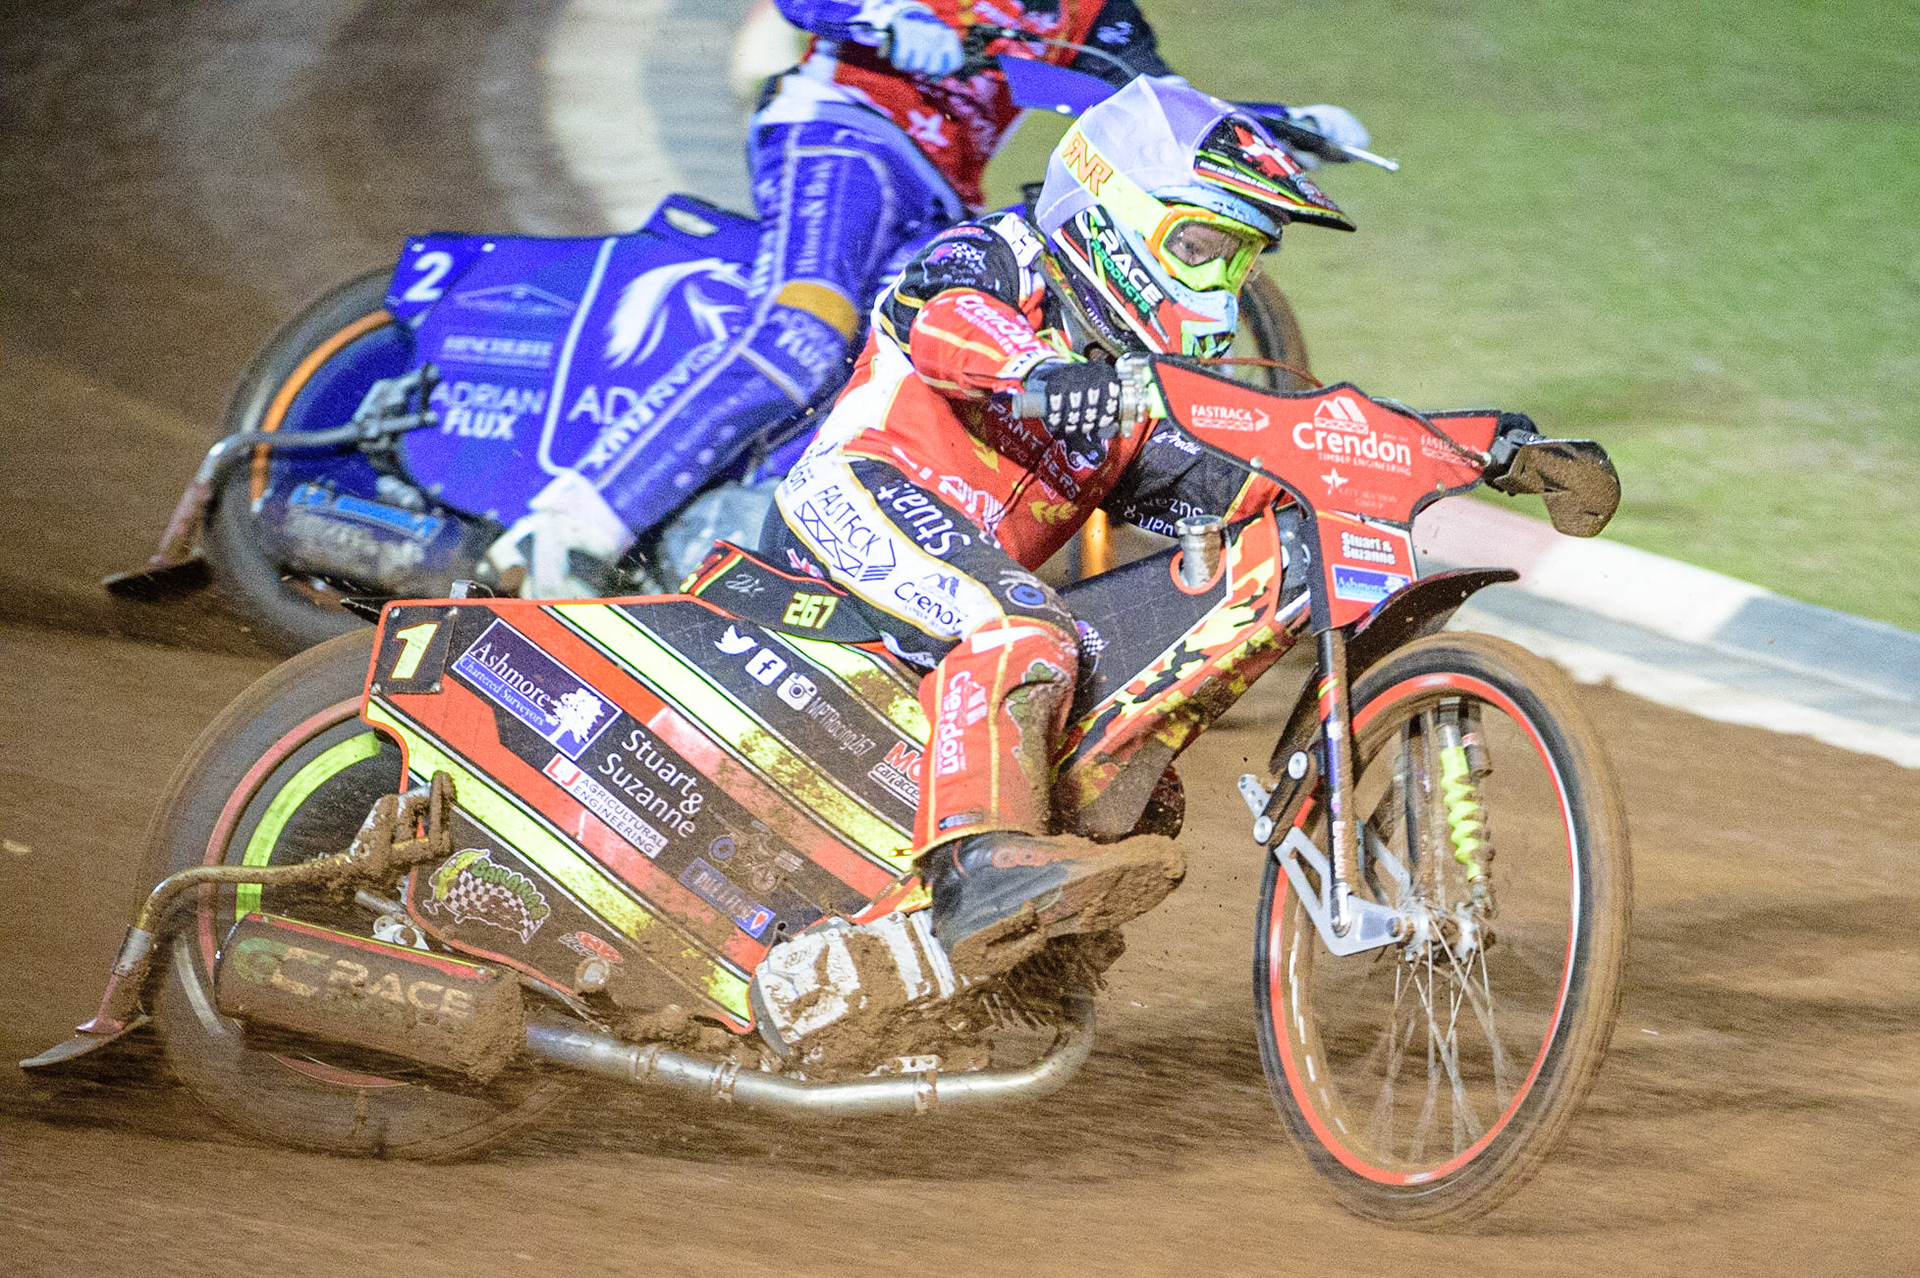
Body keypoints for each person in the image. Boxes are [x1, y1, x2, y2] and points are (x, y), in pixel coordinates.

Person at [759, 74, 1355, 977]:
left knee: (1128, 754)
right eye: (1200, 246)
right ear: (1117, 211)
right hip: (846, 506)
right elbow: (940, 318)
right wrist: (1037, 370)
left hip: (954, 587)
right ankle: (976, 871)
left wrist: (1419, 468)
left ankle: (1014, 975)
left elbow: (1232, 488)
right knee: (1024, 627)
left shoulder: (1129, 391)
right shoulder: (998, 255)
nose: (1219, 287)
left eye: (1236, 262)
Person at [486, 0, 1370, 597]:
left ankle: (720, 545)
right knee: (802, 334)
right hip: (843, 128)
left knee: (883, 379)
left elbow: (1149, 102)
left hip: (944, 194)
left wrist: (1278, 128)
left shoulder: (1096, 10)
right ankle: (567, 531)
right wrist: (881, 16)